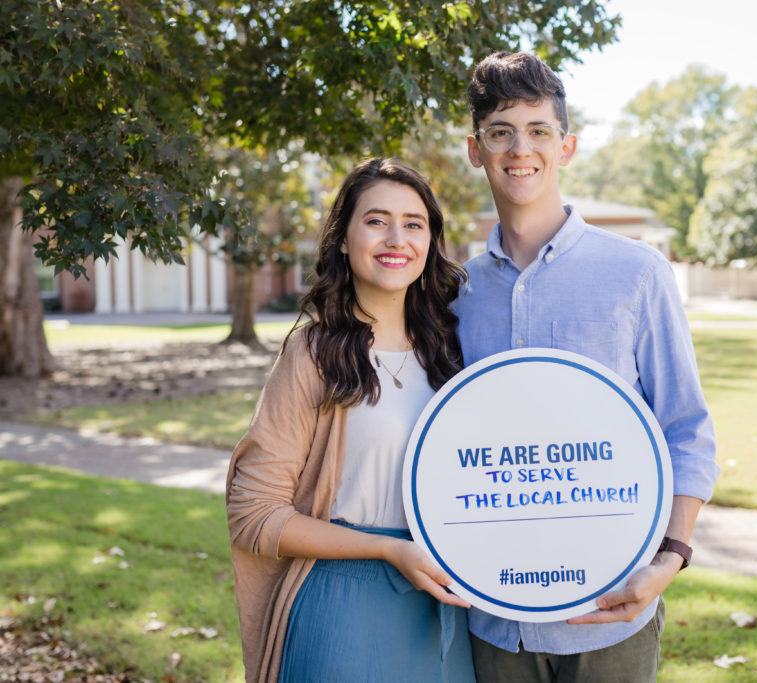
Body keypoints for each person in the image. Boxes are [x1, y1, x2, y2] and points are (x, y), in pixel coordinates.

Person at [452, 52, 720, 682]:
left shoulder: (637, 272)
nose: (521, 149)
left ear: (566, 146)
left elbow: (685, 426)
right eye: (500, 132)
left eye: (539, 130)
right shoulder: (453, 292)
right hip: (493, 619)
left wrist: (671, 557)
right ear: (475, 150)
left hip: (612, 611)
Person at [225, 157, 475, 683]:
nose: (396, 239)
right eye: (376, 220)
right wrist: (388, 548)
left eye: (413, 224)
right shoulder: (314, 356)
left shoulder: (454, 352)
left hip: (445, 613)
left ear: (430, 242)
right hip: (343, 608)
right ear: (343, 239)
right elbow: (254, 513)